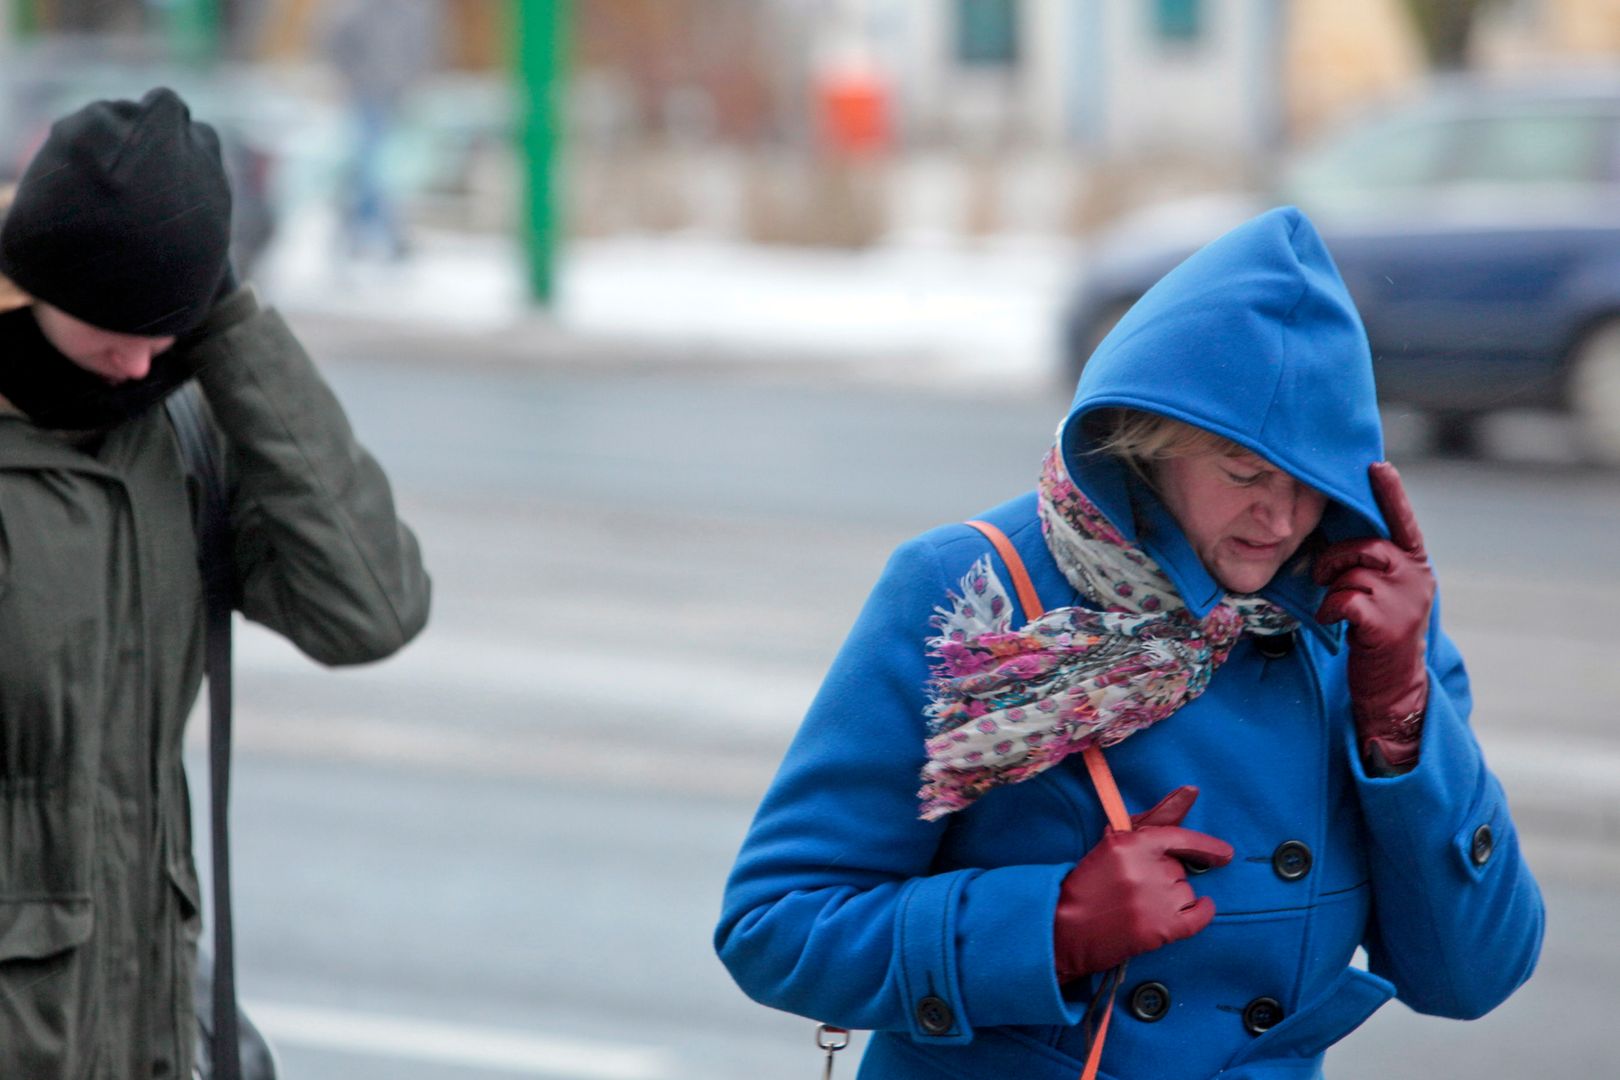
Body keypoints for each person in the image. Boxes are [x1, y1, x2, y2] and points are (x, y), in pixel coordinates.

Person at [715, 206, 1543, 1079]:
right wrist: (1052, 925)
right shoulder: (970, 593)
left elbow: (1473, 976)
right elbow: (776, 924)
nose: (1281, 517)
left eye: (1311, 484)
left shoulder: (1362, 621)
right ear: (1148, 443)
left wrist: (1403, 712)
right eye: (1243, 473)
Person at [0, 87, 430, 1077]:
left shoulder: (184, 433)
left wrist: (235, 335)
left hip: (141, 1023)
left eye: (172, 325)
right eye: (113, 323)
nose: (143, 358)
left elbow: (370, 609)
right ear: (33, 278)